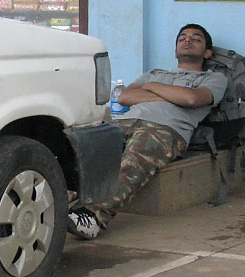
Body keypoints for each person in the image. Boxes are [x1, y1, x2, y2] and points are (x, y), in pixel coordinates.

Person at [68, 23, 228, 239]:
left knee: (133, 159)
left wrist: (150, 87)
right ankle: (59, 204)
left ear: (207, 52)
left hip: (165, 129)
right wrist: (173, 96)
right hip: (127, 120)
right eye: (182, 38)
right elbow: (124, 97)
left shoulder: (213, 78)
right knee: (83, 148)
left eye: (196, 38)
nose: (187, 40)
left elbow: (193, 99)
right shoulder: (155, 73)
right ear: (175, 49)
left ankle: (94, 216)